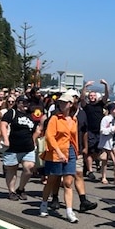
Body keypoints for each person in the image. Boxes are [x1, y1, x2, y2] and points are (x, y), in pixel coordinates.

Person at [39, 93, 79, 221]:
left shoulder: (73, 119)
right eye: (61, 102)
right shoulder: (55, 118)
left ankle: (69, 211)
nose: (62, 104)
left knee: (68, 182)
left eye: (65, 102)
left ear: (71, 104)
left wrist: (76, 152)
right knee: (52, 180)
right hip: (56, 153)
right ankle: (44, 203)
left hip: (70, 151)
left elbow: (74, 137)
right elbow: (49, 136)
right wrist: (58, 152)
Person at [0, 95, 41, 201]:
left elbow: (38, 128)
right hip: (12, 147)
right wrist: (5, 139)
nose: (25, 105)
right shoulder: (12, 113)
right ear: (18, 103)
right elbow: (3, 124)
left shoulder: (31, 115)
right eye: (23, 102)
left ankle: (21, 189)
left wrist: (34, 140)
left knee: (29, 168)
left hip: (28, 147)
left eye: (27, 102)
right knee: (12, 169)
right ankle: (12, 191)